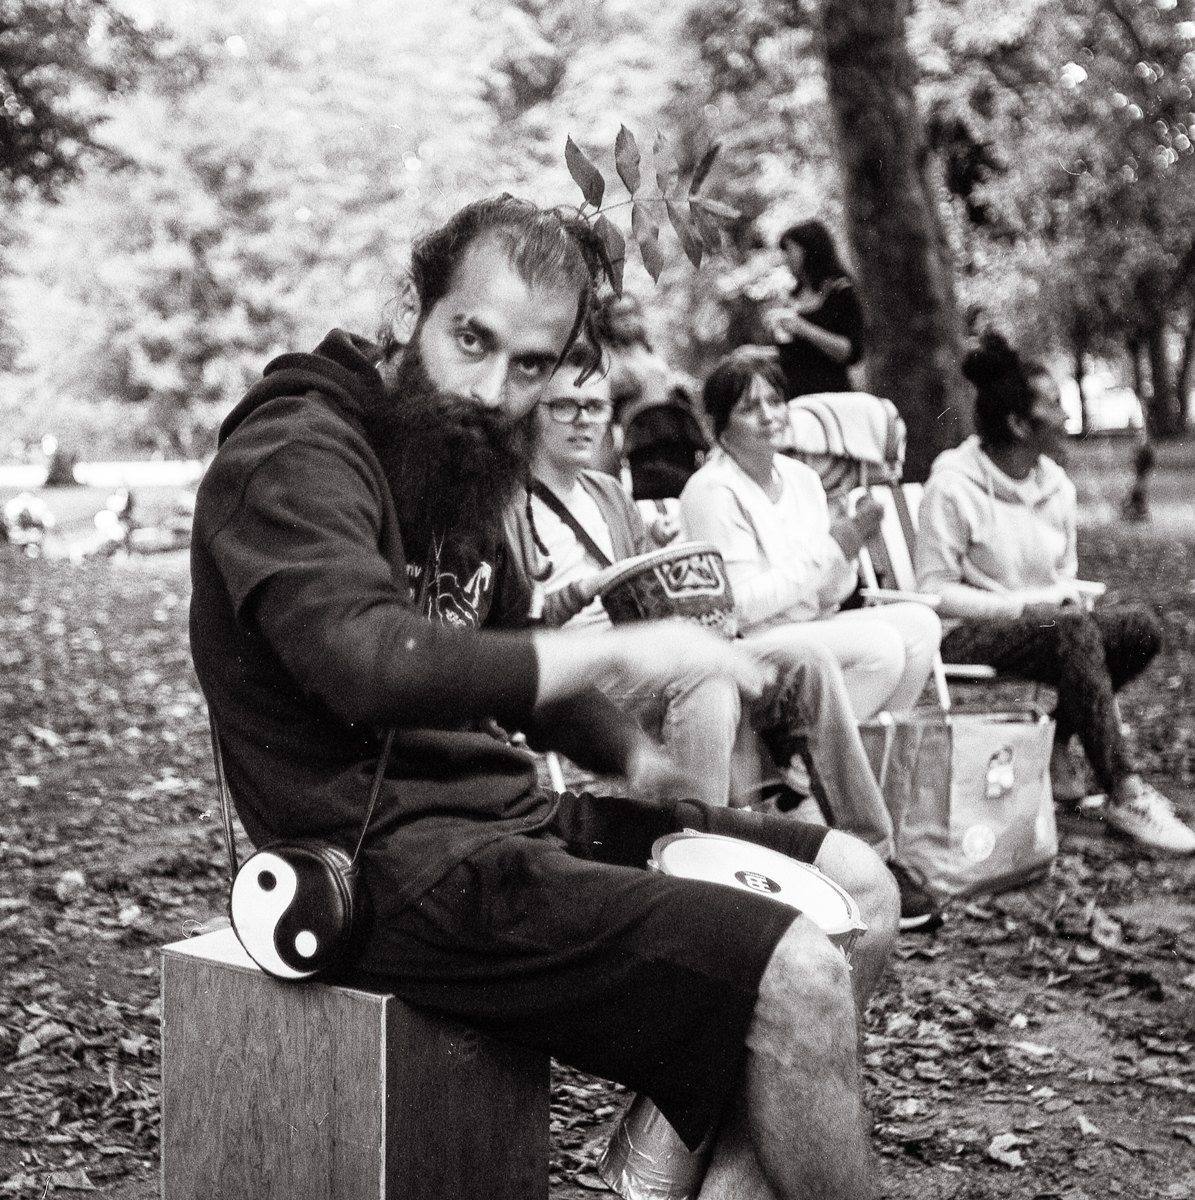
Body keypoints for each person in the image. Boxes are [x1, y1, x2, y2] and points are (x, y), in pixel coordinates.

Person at [189, 195, 898, 1200]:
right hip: (384, 871)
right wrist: (637, 647)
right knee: (795, 971)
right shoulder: (294, 454)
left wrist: (633, 755)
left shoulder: (460, 461)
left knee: (858, 890)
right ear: (412, 308)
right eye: (470, 339)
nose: (490, 389)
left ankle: (660, 1176)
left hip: (509, 827)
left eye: (530, 365)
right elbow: (368, 663)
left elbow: (511, 656)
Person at [505, 343, 940, 929]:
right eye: (564, 406)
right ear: (533, 410)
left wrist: (662, 557)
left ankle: (872, 852)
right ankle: (702, 874)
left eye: (595, 406)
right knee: (706, 671)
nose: (583, 420)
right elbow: (511, 626)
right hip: (580, 679)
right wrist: (583, 590)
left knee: (804, 657)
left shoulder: (609, 493)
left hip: (650, 653)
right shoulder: (509, 501)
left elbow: (643, 586)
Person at [915, 332, 1194, 854]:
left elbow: (1063, 571)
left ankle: (1058, 741)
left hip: (1050, 626)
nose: (1067, 418)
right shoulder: (951, 486)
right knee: (1069, 627)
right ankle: (1125, 790)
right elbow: (933, 590)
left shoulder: (1056, 486)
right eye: (1054, 407)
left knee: (1141, 627)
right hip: (969, 634)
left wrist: (1063, 597)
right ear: (1020, 424)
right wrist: (1025, 606)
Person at [681, 348, 942, 725]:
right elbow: (739, 608)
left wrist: (849, 554)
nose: (769, 416)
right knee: (881, 649)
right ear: (720, 426)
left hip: (806, 626)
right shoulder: (712, 490)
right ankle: (803, 756)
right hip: (748, 642)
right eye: (749, 408)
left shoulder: (802, 478)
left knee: (921, 625)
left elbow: (826, 596)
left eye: (775, 401)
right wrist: (835, 546)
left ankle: (871, 758)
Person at [764, 220, 864, 399]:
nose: (785, 259)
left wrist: (804, 328)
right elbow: (795, 356)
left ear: (809, 250)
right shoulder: (792, 296)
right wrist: (759, 354)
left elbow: (849, 352)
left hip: (832, 397)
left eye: (790, 251)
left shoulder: (841, 291)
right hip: (795, 398)